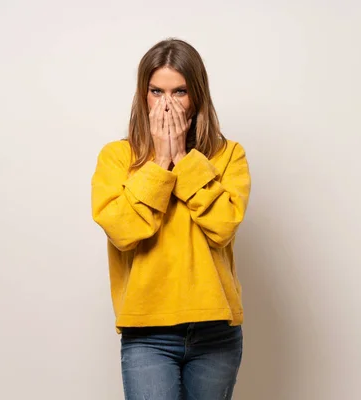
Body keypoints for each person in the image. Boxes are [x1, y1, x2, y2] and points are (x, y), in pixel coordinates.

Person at [91, 38, 251, 400]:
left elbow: (223, 226)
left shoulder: (228, 156)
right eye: (156, 91)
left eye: (179, 92)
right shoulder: (117, 157)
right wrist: (160, 163)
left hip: (216, 331)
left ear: (196, 96)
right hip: (147, 333)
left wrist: (183, 156)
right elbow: (123, 231)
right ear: (142, 95)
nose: (166, 104)